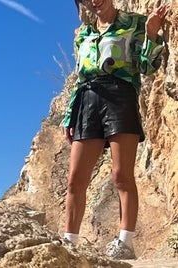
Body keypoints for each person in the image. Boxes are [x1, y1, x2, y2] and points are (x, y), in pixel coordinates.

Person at [63, 0, 168, 259]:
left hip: (120, 96)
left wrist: (152, 34)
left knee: (122, 175)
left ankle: (125, 242)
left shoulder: (134, 24)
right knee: (75, 180)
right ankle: (69, 242)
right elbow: (80, 78)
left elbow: (147, 67)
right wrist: (69, 115)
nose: (93, 1)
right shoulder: (84, 36)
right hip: (87, 100)